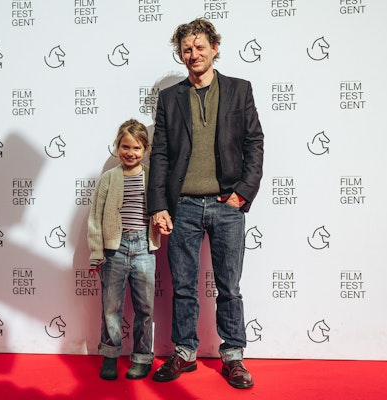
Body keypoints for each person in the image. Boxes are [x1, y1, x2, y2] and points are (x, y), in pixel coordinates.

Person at [147, 18, 264, 389]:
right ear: (180, 54)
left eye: (199, 47)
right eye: (186, 49)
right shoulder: (170, 98)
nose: (193, 54)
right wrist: (158, 205)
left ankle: (233, 356)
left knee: (229, 286)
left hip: (227, 205)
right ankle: (184, 351)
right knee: (183, 286)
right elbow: (160, 154)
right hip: (181, 206)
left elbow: (254, 143)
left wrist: (243, 192)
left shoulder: (239, 90)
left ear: (215, 48)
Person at [87, 118, 161, 380]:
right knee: (111, 307)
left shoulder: (152, 177)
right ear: (117, 146)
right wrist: (97, 252)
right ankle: (110, 355)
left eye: (137, 148)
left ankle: (142, 358)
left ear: (146, 149)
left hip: (144, 249)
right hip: (114, 251)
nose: (130, 153)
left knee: (145, 308)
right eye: (125, 146)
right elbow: (95, 219)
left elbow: (162, 208)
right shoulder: (108, 179)